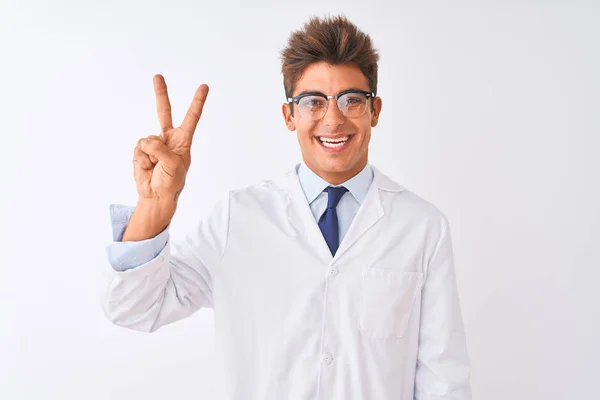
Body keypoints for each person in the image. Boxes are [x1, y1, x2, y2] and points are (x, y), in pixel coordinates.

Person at [103, 15, 472, 400]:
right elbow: (134, 309)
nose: (333, 119)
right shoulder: (238, 217)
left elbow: (443, 381)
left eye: (352, 100)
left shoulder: (421, 227)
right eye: (313, 101)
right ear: (289, 116)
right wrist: (156, 205)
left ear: (374, 111)